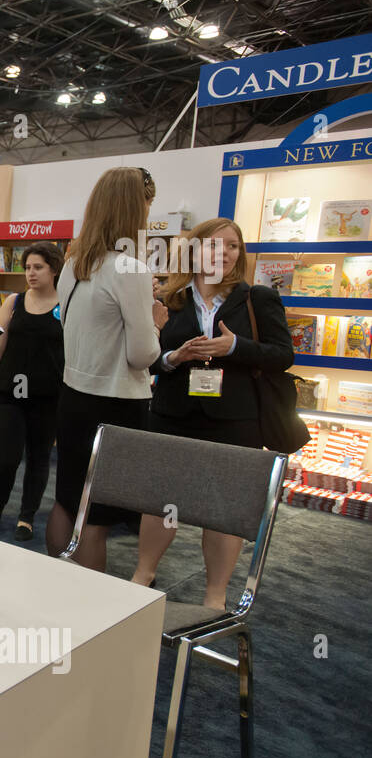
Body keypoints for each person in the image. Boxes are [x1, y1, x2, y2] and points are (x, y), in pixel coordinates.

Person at [133, 217, 293, 609]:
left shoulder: (258, 298)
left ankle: (215, 595)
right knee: (161, 502)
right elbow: (146, 360)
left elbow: (282, 355)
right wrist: (174, 357)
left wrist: (235, 347)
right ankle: (143, 573)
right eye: (213, 245)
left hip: (236, 421)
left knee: (223, 510)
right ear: (193, 250)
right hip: (172, 414)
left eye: (232, 246)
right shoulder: (168, 299)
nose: (223, 253)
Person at [44, 166, 163, 570]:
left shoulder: (74, 264)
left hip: (74, 396)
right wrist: (157, 324)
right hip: (116, 404)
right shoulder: (129, 269)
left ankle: (60, 581)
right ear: (135, 210)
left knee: (67, 498)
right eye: (147, 205)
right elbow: (142, 355)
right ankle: (88, 603)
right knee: (96, 516)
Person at [0, 240, 64, 541]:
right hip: (9, 392)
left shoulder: (65, 304)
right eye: (28, 267)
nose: (31, 273)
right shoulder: (13, 302)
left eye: (38, 267)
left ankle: (27, 516)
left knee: (39, 457)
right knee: (7, 456)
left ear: (53, 269)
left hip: (48, 395)